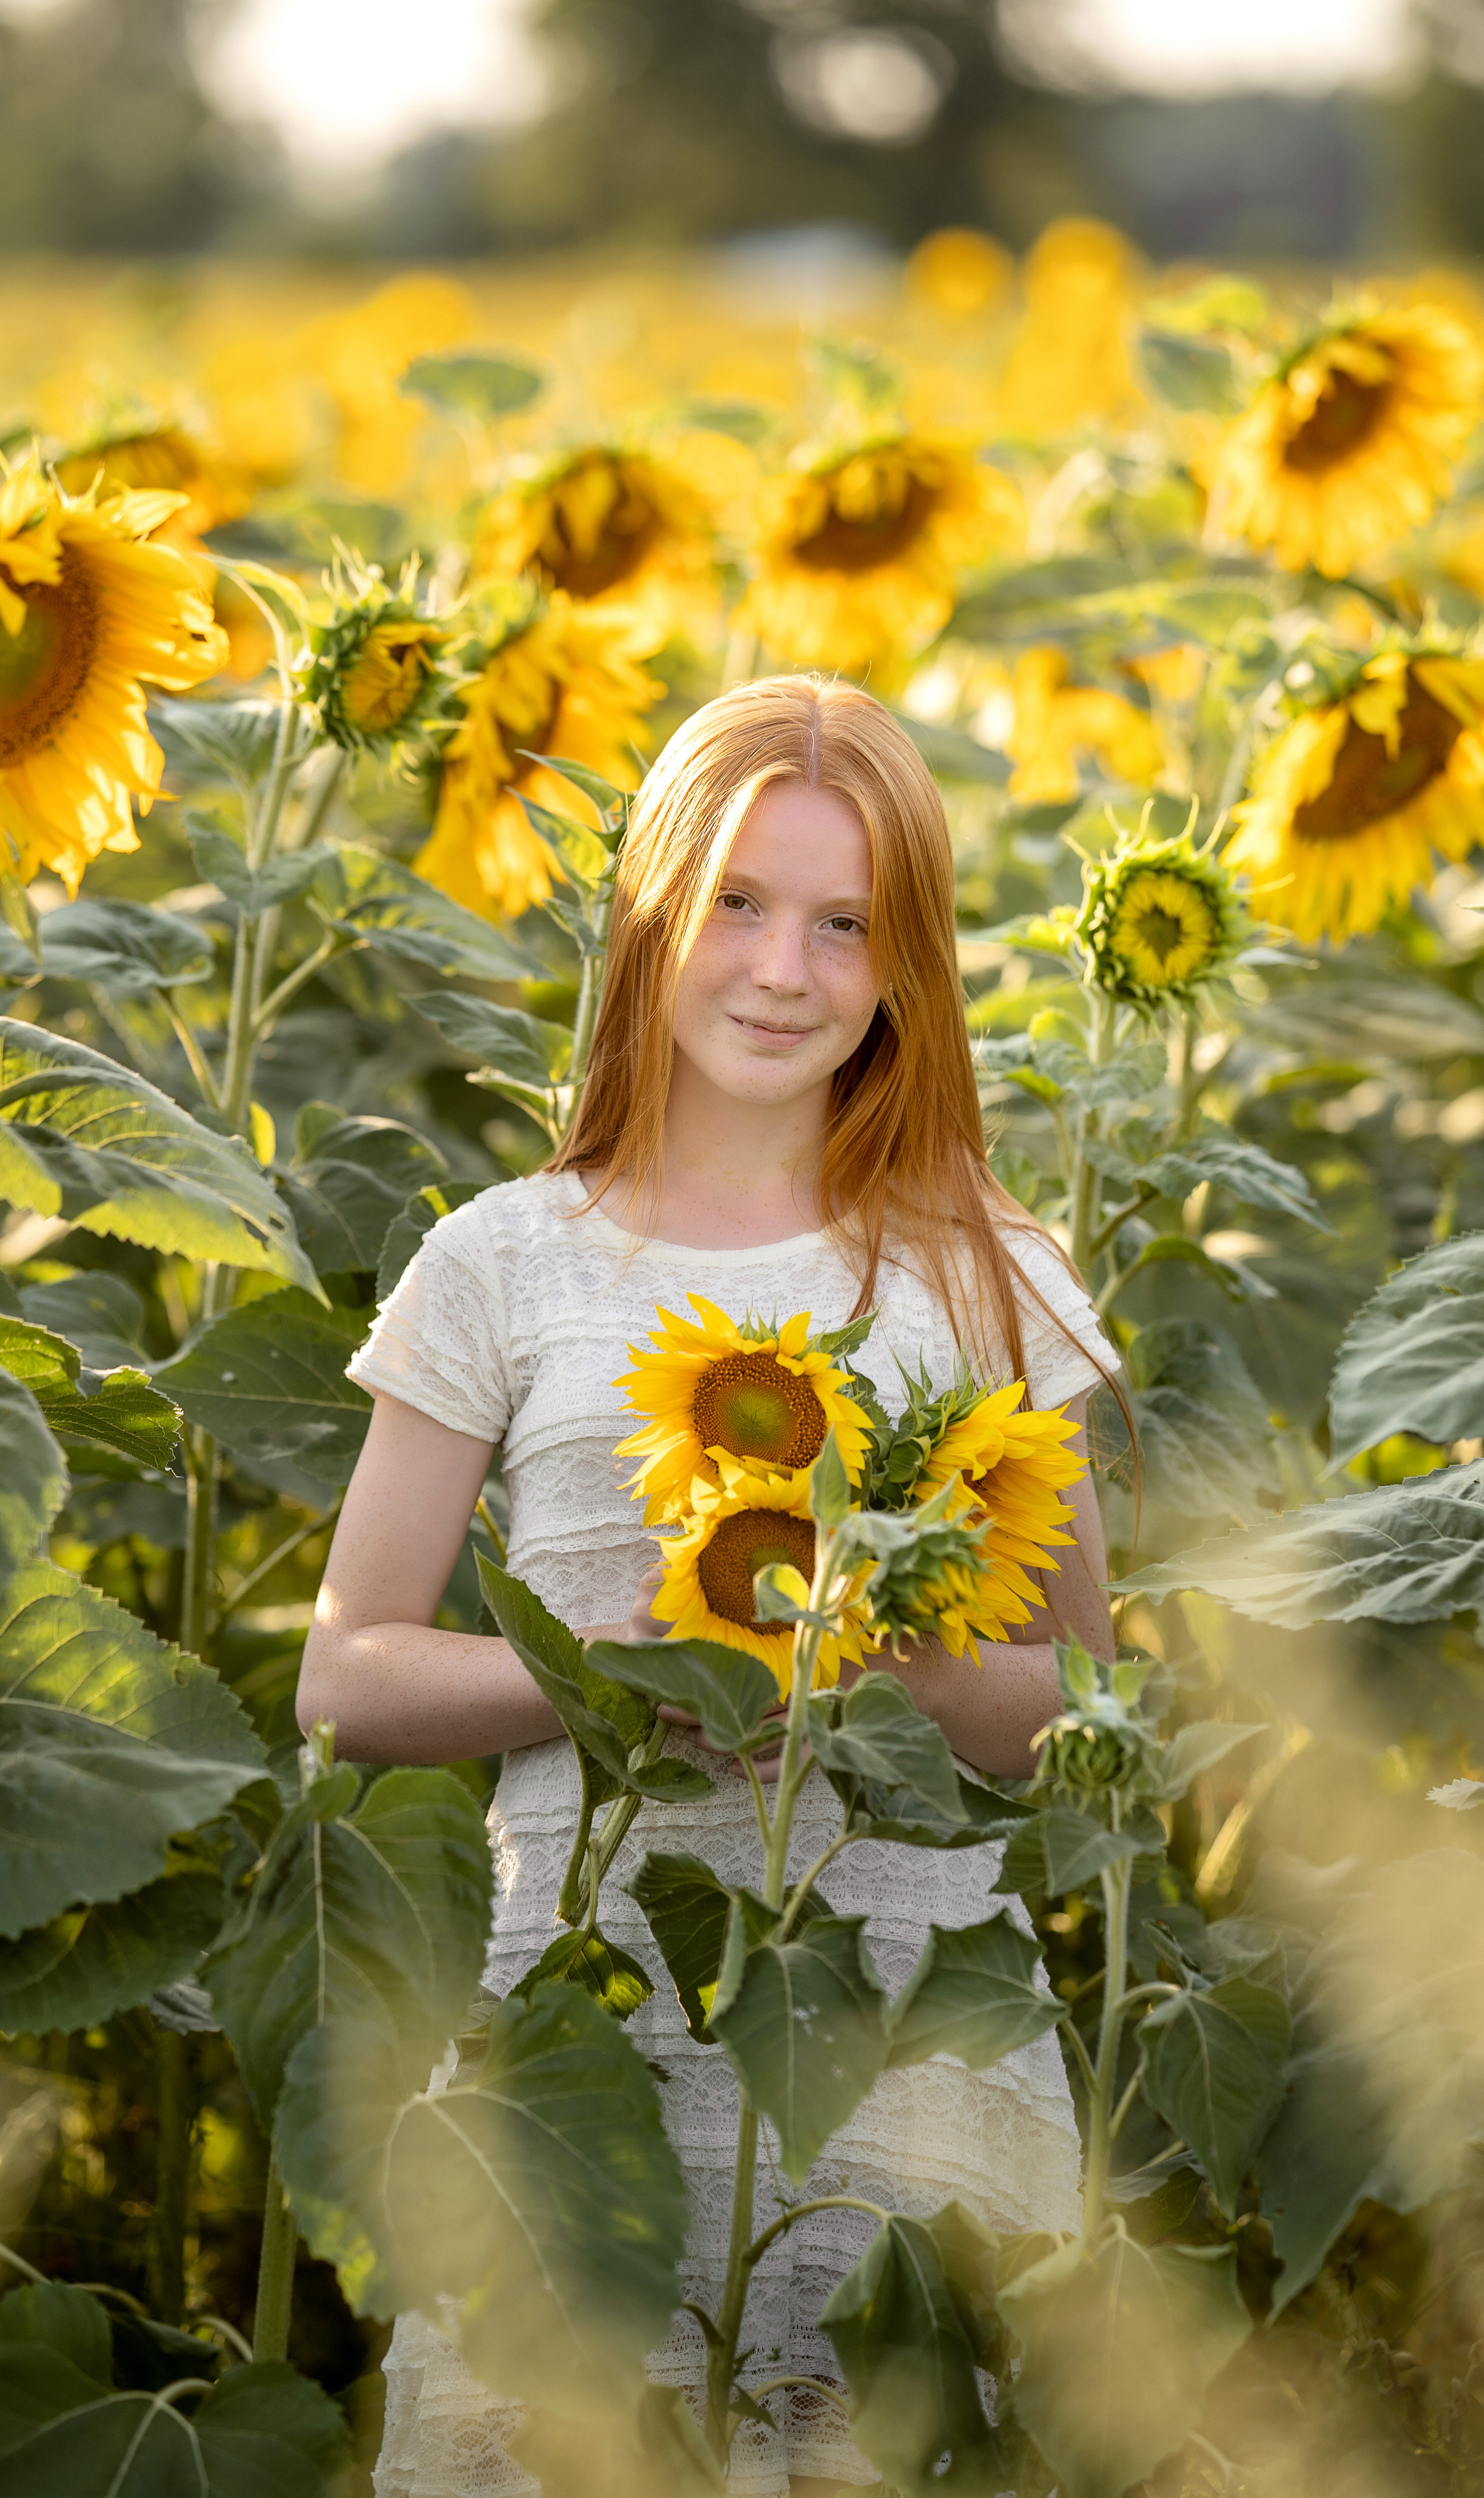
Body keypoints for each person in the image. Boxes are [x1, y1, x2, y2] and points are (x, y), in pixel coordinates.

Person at [298, 674, 1119, 2498]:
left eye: (846, 925)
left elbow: (1080, 1712)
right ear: (655, 906)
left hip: (908, 2048)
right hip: (580, 2040)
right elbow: (344, 1673)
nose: (780, 970)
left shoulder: (990, 1276)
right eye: (738, 902)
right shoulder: (505, 1264)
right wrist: (613, 1674)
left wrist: (873, 1672)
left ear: (909, 965)